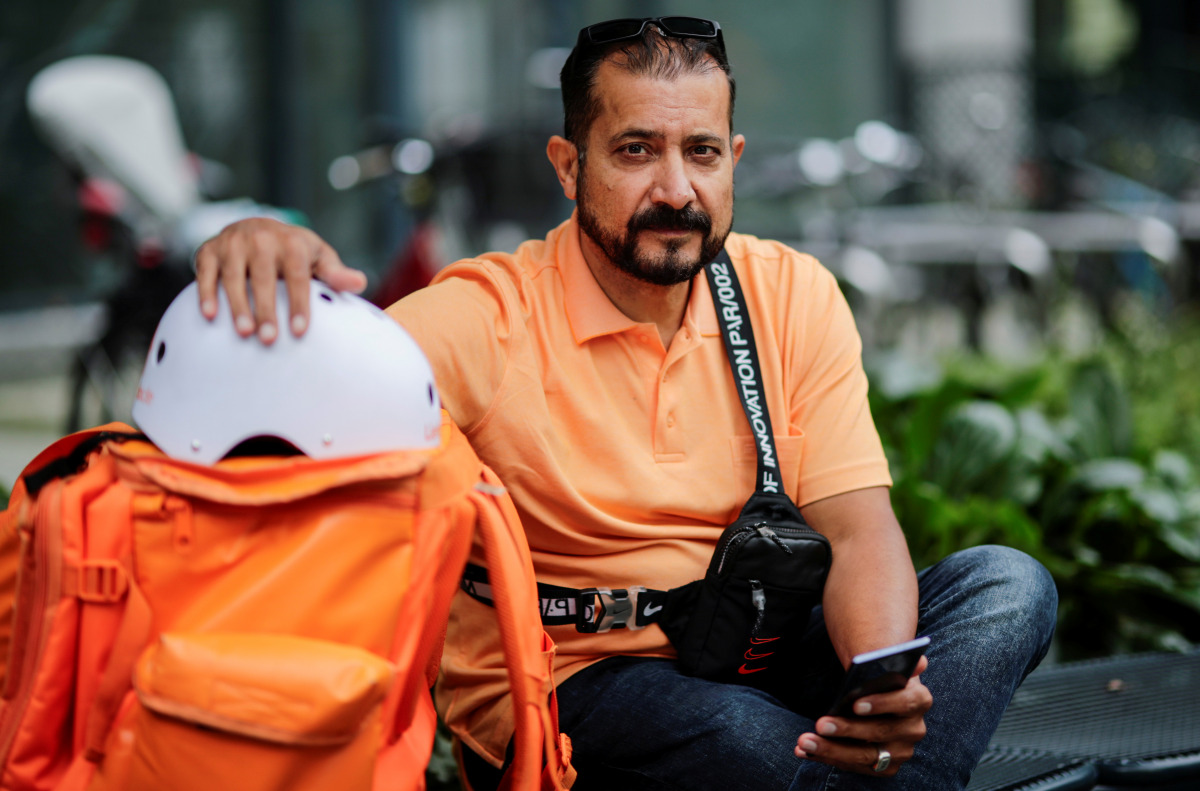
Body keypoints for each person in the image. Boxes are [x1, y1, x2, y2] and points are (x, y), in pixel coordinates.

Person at [194, 16, 1057, 790]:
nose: (677, 189)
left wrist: (881, 681)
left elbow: (857, 524)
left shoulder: (789, 292)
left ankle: (856, 772)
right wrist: (256, 242)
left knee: (1008, 585)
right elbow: (295, 403)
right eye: (637, 150)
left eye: (703, 152)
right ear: (569, 167)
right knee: (743, 736)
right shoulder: (486, 316)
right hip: (571, 681)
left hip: (756, 640)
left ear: (735, 161)